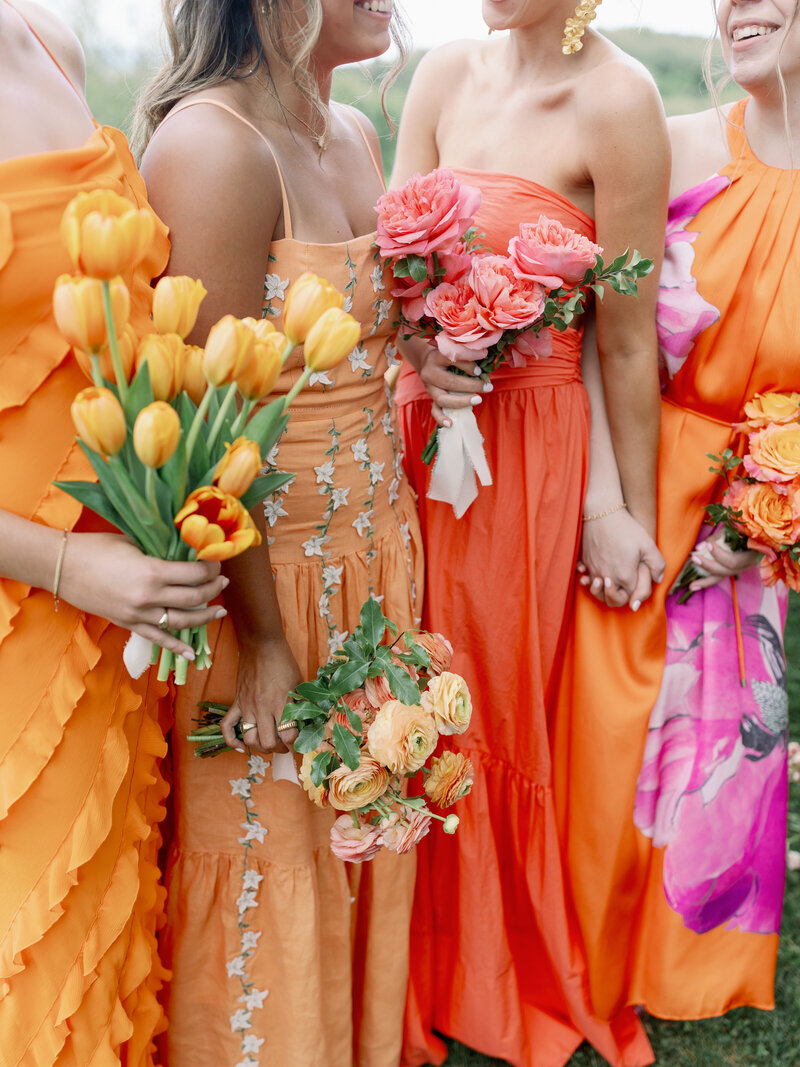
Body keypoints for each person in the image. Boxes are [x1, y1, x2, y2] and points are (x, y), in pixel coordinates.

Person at [134, 1, 423, 1063]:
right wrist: (260, 644)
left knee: (349, 827)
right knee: (262, 851)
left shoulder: (347, 130)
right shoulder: (214, 147)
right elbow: (203, 442)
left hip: (375, 555)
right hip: (267, 581)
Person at [390, 0, 668, 1064]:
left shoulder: (619, 99)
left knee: (495, 687)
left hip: (535, 442)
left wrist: (619, 509)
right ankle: (400, 946)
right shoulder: (441, 77)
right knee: (408, 670)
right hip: (423, 427)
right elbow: (391, 281)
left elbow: (626, 338)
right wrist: (422, 351)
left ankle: (492, 960)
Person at [554, 0, 798, 1032]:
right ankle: (565, 957)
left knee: (725, 749)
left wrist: (766, 512)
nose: (737, 4)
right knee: (603, 728)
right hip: (641, 469)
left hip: (765, 506)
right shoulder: (675, 145)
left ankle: (689, 962)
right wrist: (605, 502)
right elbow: (589, 333)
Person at [0, 1, 229, 1063]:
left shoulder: (50, 39)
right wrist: (65, 562)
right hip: (29, 594)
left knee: (100, 927)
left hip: (114, 600)